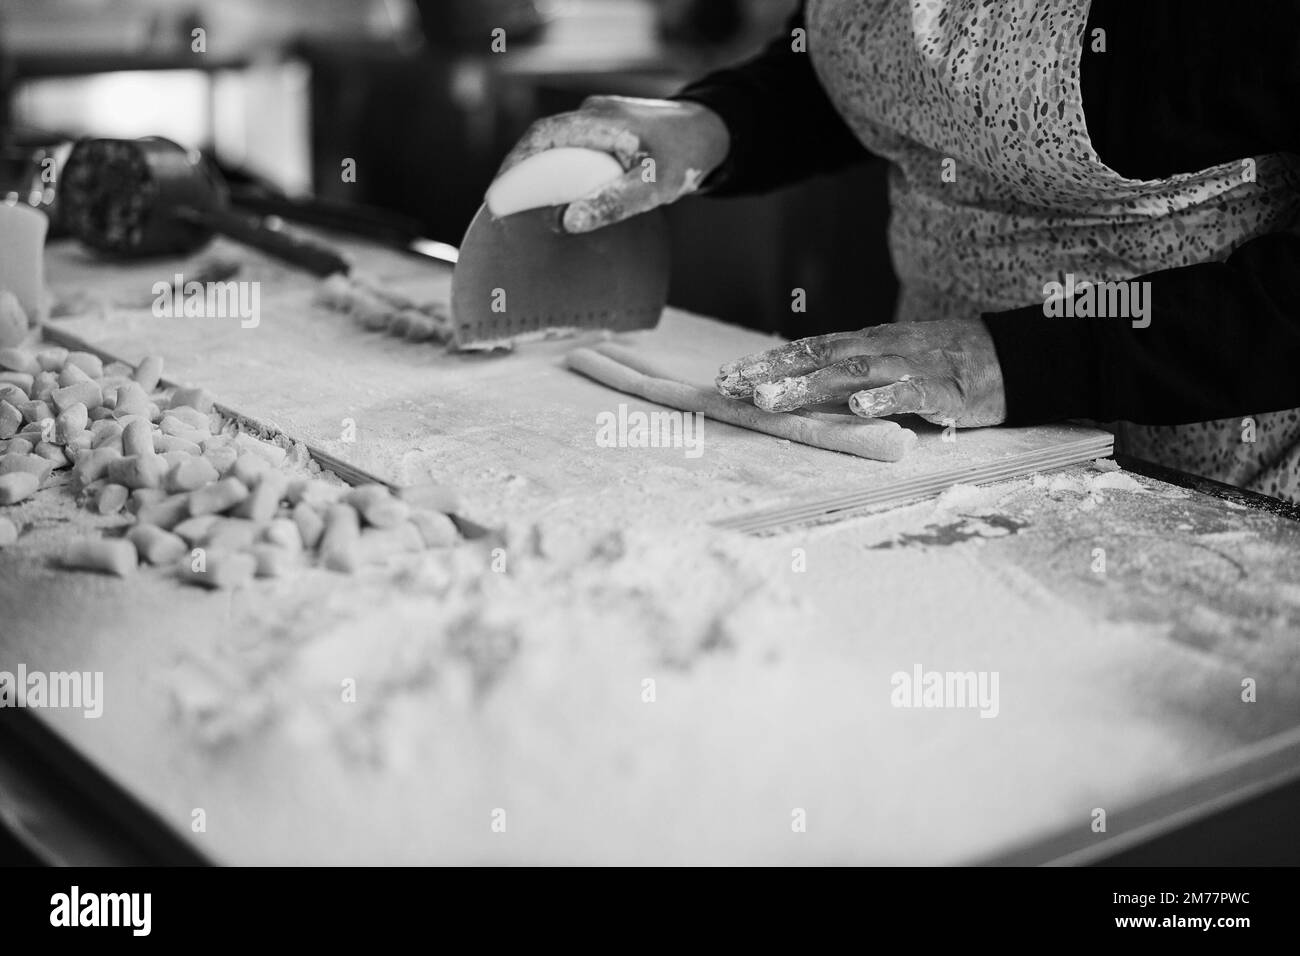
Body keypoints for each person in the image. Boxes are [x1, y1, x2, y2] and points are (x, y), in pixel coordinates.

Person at [489, 0, 1300, 502]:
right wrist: (713, 124)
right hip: (941, 449)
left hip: (1199, 474)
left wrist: (1013, 362)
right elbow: (866, 67)